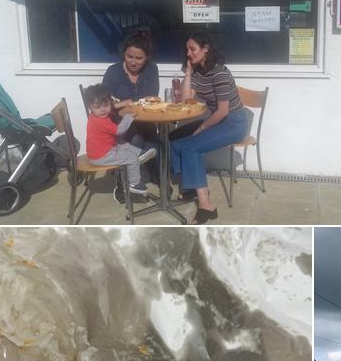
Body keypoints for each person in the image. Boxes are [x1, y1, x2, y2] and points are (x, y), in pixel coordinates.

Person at [170, 31, 249, 225]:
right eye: (187, 49)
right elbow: (188, 100)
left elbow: (223, 111)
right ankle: (190, 187)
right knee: (173, 139)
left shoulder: (219, 72)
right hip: (219, 120)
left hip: (234, 122)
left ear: (205, 49)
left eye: (192, 49)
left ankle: (207, 205)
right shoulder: (198, 71)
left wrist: (203, 126)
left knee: (190, 146)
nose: (188, 53)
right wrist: (188, 72)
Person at [85, 84, 156, 196]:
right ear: (90, 107)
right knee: (131, 158)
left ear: (111, 103)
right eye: (98, 107)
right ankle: (134, 184)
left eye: (106, 105)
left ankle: (140, 154)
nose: (103, 110)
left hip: (102, 150)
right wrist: (128, 117)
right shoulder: (101, 121)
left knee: (122, 143)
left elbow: (114, 129)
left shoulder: (95, 116)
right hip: (101, 156)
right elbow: (120, 130)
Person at [102, 30, 160, 106]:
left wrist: (128, 102)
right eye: (129, 57)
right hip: (119, 116)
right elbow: (104, 99)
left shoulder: (151, 69)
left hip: (145, 115)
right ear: (124, 54)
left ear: (147, 57)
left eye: (138, 58)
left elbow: (152, 97)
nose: (133, 63)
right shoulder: (113, 71)